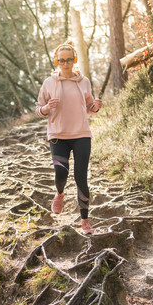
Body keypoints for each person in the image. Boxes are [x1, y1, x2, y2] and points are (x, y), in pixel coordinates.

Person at [36, 43, 102, 234]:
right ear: (57, 61)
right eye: (61, 60)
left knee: (81, 177)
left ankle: (85, 221)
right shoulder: (49, 83)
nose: (65, 64)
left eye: (68, 60)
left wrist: (95, 106)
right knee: (60, 173)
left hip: (81, 134)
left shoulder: (84, 82)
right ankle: (60, 193)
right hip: (58, 135)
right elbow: (38, 109)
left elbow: (90, 108)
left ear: (74, 60)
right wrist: (47, 108)